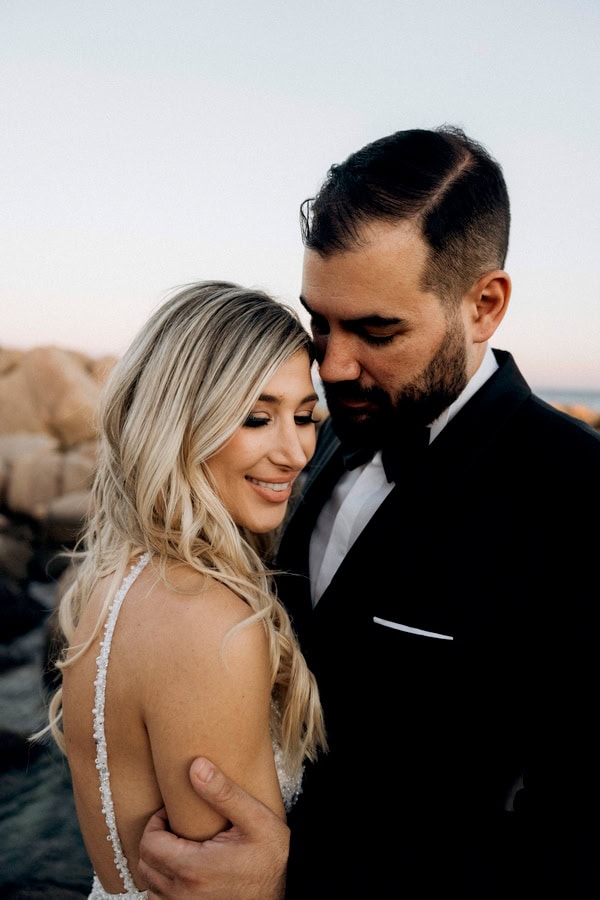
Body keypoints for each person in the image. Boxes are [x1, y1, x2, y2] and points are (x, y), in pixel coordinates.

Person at [138, 128, 600, 898]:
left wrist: (300, 877)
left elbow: (576, 850)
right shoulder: (307, 451)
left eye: (376, 331)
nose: (332, 366)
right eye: (320, 322)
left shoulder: (578, 496)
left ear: (484, 305)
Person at [36, 280, 327, 899]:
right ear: (180, 420)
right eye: (256, 417)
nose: (296, 451)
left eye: (305, 416)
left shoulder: (117, 580)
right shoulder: (207, 622)